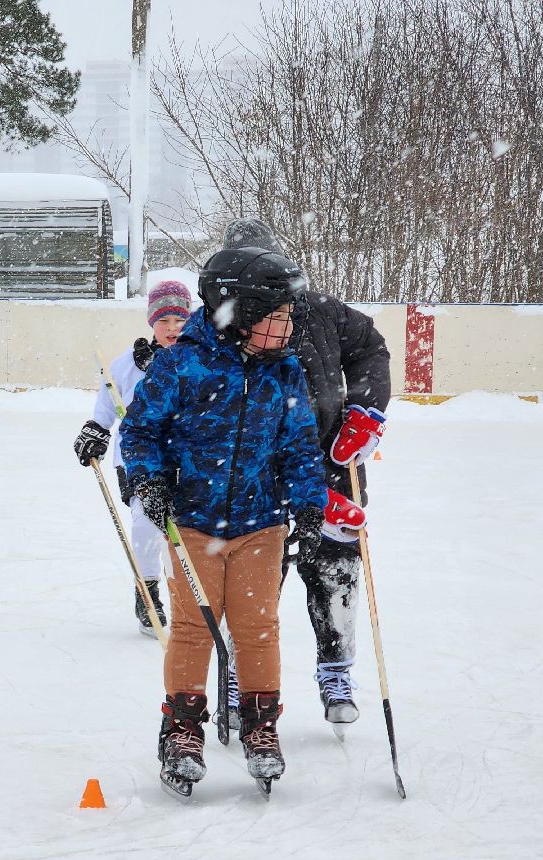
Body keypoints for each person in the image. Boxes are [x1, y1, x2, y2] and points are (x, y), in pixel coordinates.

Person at [119, 248, 328, 792]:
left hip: (261, 521)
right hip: (193, 520)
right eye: (274, 318)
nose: (284, 329)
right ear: (238, 311)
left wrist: (308, 503)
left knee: (257, 628)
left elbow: (300, 446)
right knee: (192, 628)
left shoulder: (283, 370)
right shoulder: (182, 362)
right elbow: (140, 431)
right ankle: (183, 730)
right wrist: (150, 479)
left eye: (287, 318)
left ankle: (261, 726)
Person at [222, 219, 391, 728]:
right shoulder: (219, 321)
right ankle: (239, 672)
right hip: (254, 475)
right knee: (253, 579)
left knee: (335, 568)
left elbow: (370, 348)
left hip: (330, 465)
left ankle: (336, 671)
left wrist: (365, 412)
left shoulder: (321, 310)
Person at [73, 279, 192, 635]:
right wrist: (95, 430)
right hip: (138, 459)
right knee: (145, 523)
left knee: (187, 530)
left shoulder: (201, 359)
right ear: (151, 322)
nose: (171, 329)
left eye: (179, 321)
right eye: (164, 321)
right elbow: (106, 408)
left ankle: (191, 596)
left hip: (188, 458)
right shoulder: (126, 364)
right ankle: (148, 589)